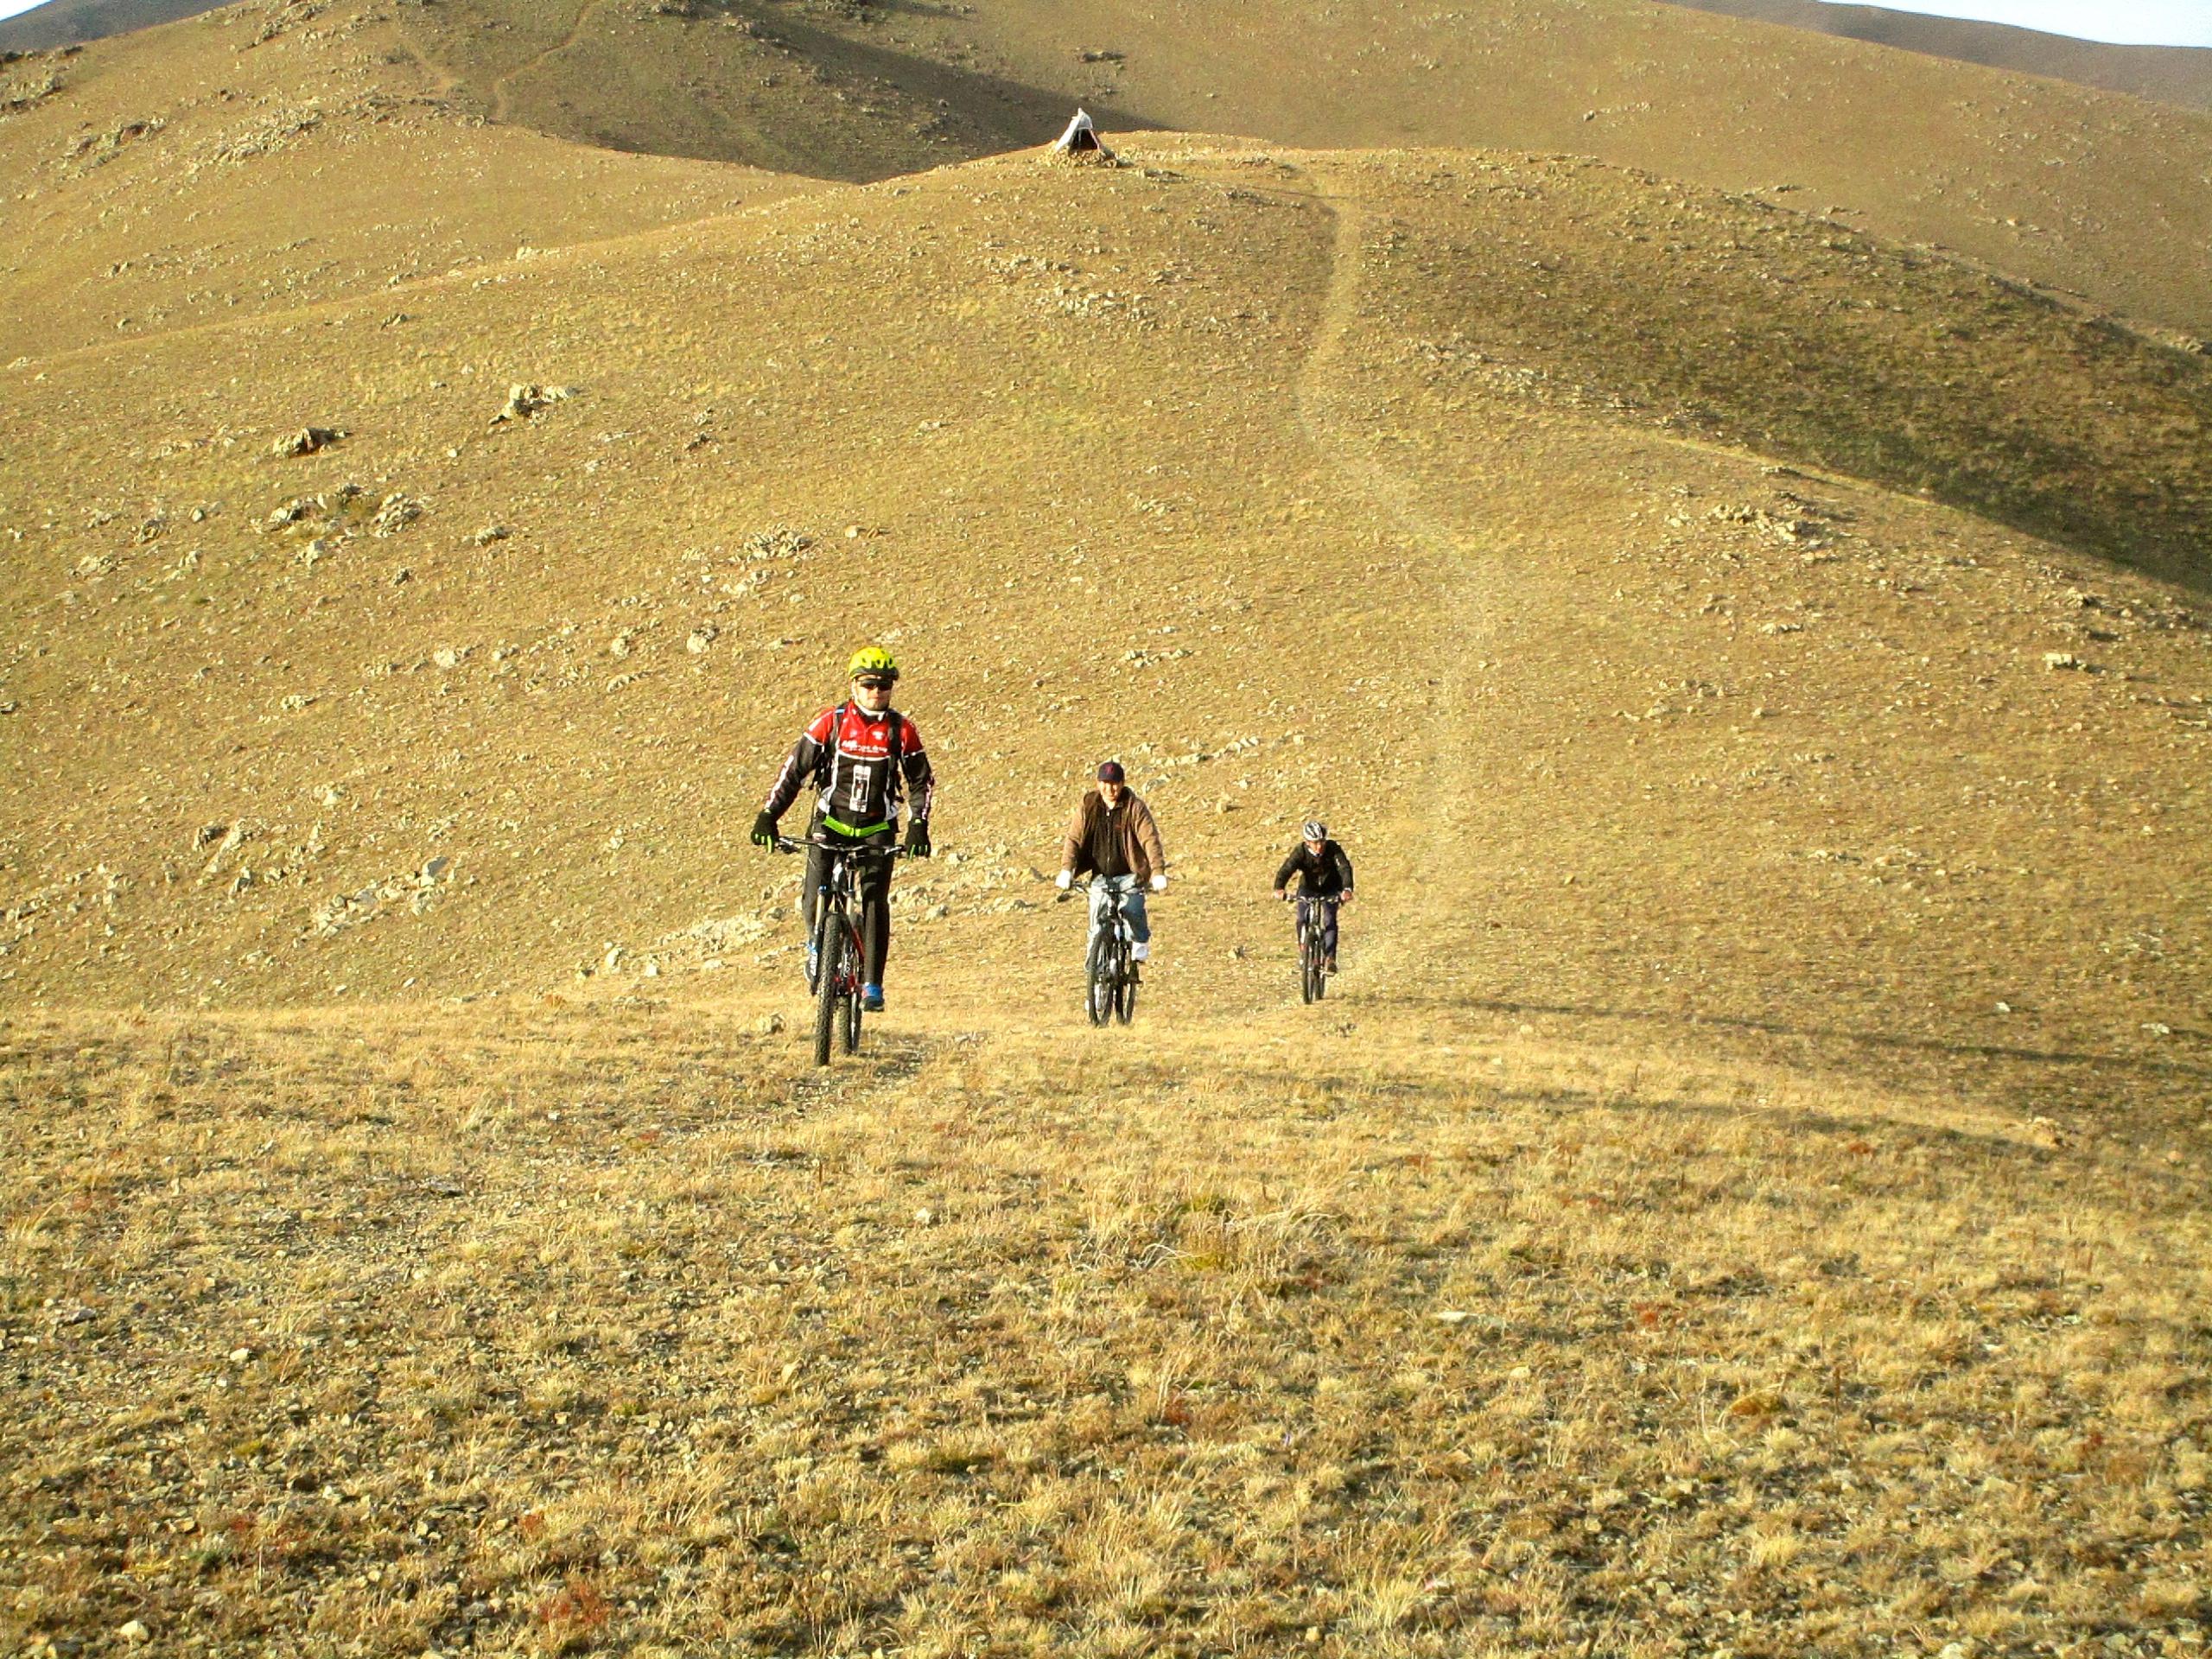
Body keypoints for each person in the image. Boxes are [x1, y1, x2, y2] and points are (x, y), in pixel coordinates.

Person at [752, 645, 934, 1013]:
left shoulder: (902, 730)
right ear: (854, 685)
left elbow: (921, 782)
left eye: (884, 685)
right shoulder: (830, 722)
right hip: (830, 822)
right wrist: (769, 815)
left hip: (877, 827)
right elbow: (794, 771)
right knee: (810, 898)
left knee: (873, 900)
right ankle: (818, 948)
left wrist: (918, 825)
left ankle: (872, 984)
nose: (876, 692)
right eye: (869, 684)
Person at [1055, 761, 1167, 976]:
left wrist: (1157, 871)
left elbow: (1149, 839)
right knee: (1096, 930)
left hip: (1130, 875)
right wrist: (1066, 870)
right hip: (1100, 877)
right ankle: (1095, 986)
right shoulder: (1089, 805)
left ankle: (1139, 942)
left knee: (1133, 910)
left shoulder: (1134, 807)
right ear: (1098, 783)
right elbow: (1074, 839)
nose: (1110, 789)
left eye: (1114, 783)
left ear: (1122, 783)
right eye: (1105, 783)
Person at [1273, 819, 1353, 974]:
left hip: (1331, 888)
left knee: (1329, 919)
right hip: (1308, 888)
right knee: (1302, 919)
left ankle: (1330, 958)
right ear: (1307, 842)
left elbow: (1344, 868)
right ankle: (1304, 950)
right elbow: (1287, 869)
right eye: (1315, 842)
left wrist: (1347, 889)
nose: (1319, 846)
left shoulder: (1332, 849)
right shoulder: (1301, 852)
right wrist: (1279, 888)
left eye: (1322, 841)